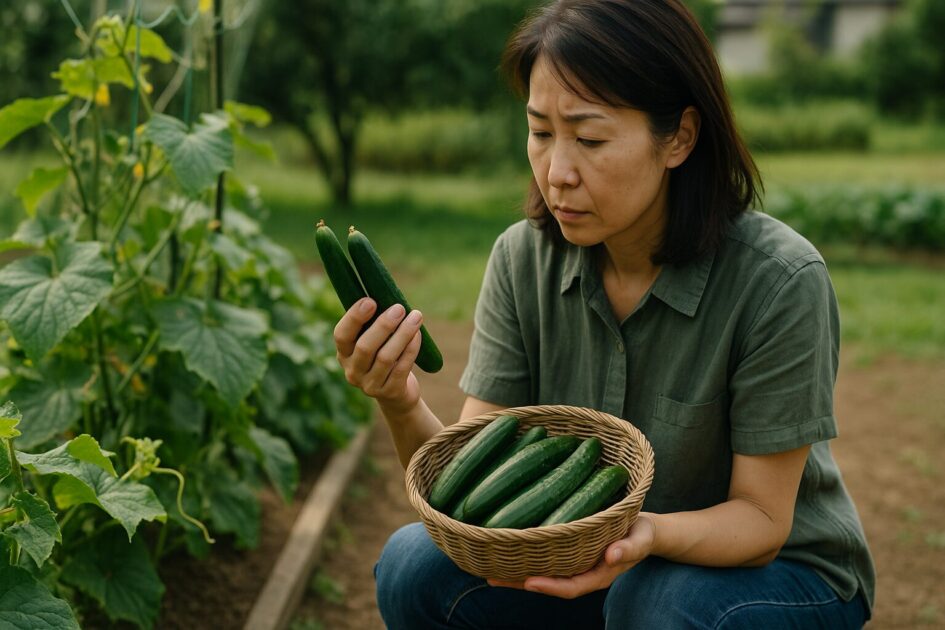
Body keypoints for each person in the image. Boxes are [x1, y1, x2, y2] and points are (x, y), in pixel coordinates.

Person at [331, 0, 875, 627]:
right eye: (540, 132)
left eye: (589, 138)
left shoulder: (780, 280)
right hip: (593, 568)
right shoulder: (521, 259)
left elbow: (761, 524)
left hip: (773, 576)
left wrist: (643, 537)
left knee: (657, 602)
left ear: (680, 138)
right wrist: (399, 399)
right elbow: (477, 493)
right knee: (412, 564)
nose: (557, 172)